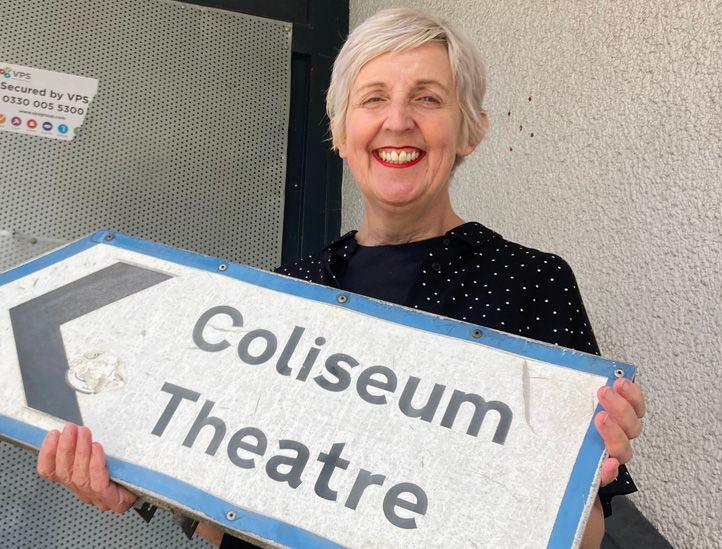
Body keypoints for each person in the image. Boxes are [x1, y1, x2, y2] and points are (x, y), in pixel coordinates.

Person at [36, 8, 646, 548]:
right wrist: (136, 482)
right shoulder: (275, 293)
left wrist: (584, 478)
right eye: (373, 98)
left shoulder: (530, 283)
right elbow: (226, 502)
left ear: (471, 129)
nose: (398, 120)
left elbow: (583, 533)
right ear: (339, 130)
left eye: (428, 98)